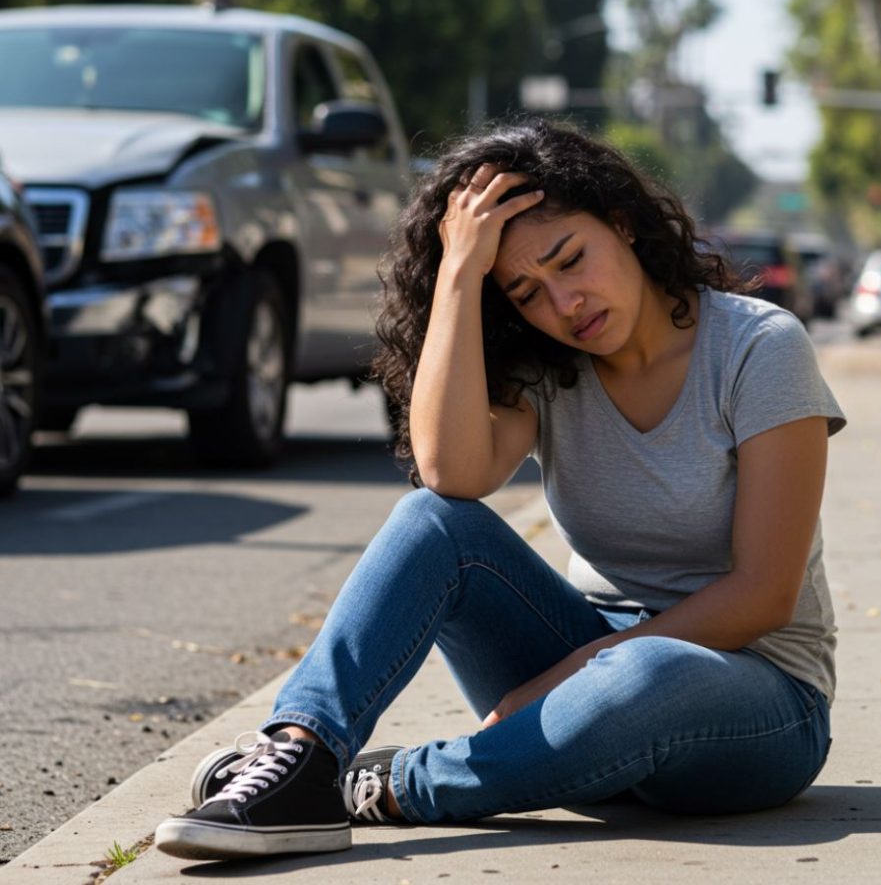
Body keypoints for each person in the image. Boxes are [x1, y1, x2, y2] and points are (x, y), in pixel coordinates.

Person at [155, 119, 845, 862]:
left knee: (644, 673)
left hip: (755, 702)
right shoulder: (551, 367)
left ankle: (385, 787)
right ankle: (302, 754)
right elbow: (452, 475)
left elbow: (764, 594)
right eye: (526, 291)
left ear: (623, 224)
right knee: (434, 521)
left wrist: (564, 678)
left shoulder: (759, 348)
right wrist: (458, 273)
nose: (565, 303)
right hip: (583, 683)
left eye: (570, 259)